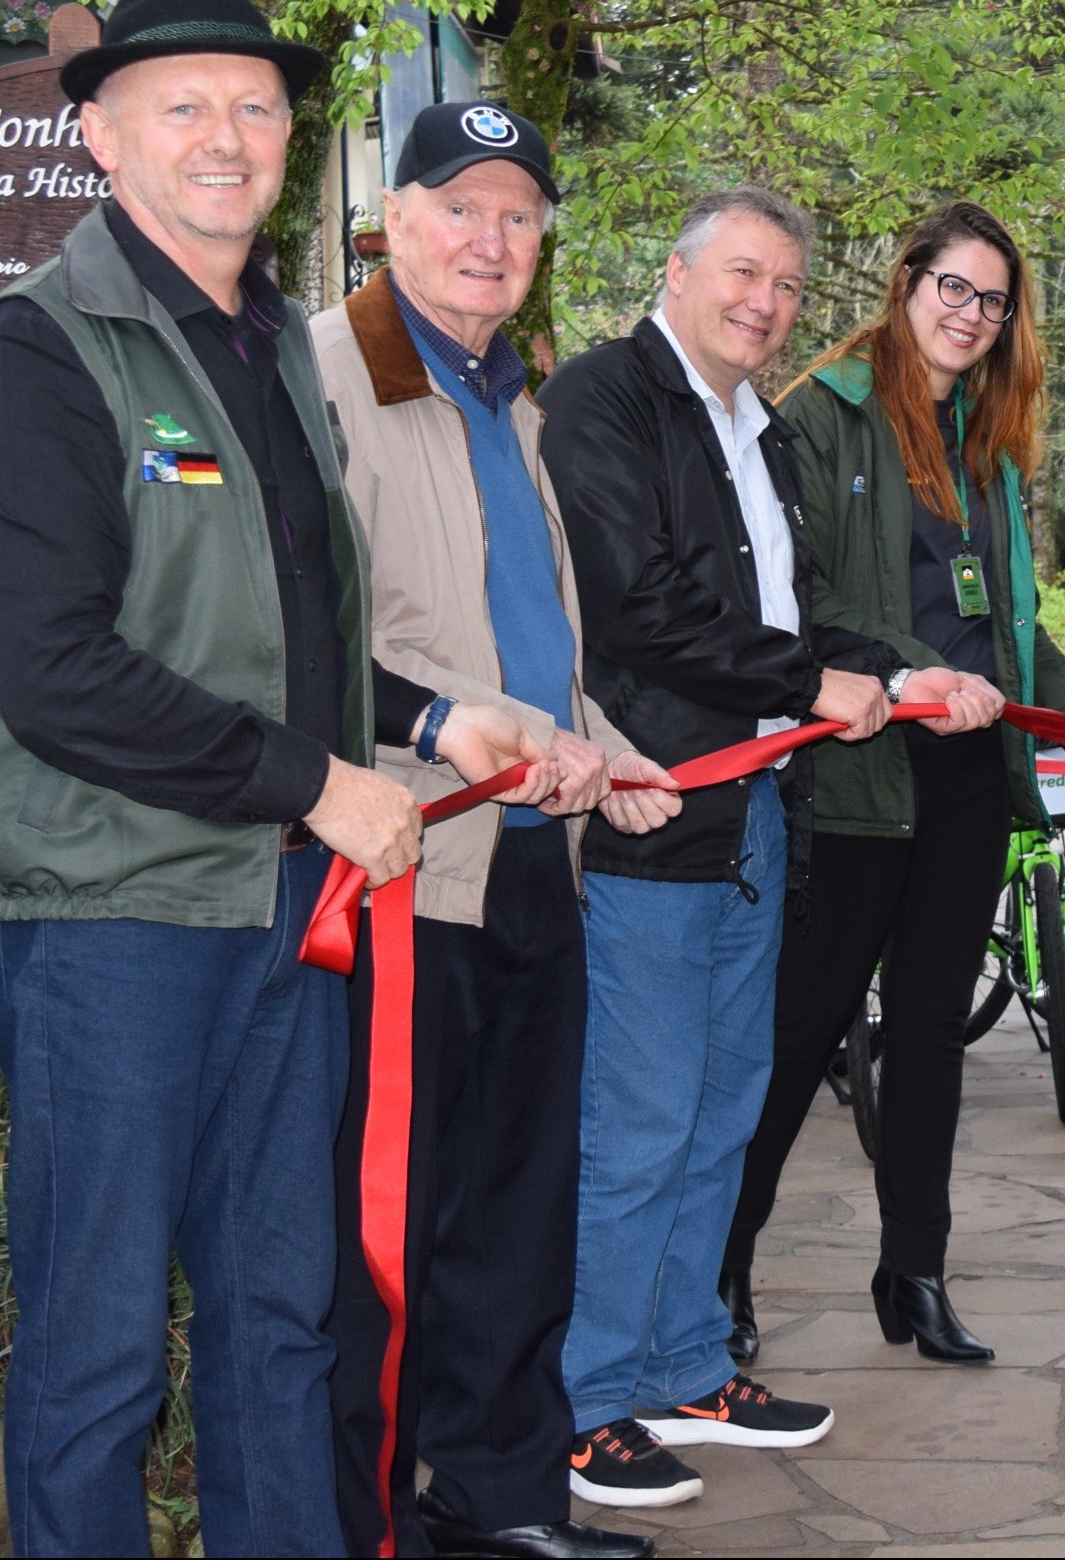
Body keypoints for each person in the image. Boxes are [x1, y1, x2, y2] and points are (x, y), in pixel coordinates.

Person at [0, 0, 542, 1557]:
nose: (227, 134)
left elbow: (285, 636)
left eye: (255, 106)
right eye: (181, 104)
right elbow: (57, 675)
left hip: (287, 914)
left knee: (283, 1325)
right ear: (102, 141)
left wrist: (416, 718)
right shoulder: (34, 358)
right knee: (97, 1353)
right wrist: (320, 784)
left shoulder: (269, 355)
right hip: (116, 925)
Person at [314, 102, 684, 1560]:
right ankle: (369, 1525)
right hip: (407, 864)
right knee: (391, 1232)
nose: (491, 237)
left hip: (534, 854)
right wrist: (431, 725)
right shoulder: (326, 372)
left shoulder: (505, 393)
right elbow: (300, 636)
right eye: (460, 206)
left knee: (518, 1211)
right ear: (392, 219)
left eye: (519, 215)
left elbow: (534, 651)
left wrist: (614, 743)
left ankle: (502, 1504)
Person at [721, 199, 1065, 1367]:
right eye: (952, 287)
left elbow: (1009, 629)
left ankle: (914, 1271)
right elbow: (808, 605)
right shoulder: (818, 414)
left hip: (965, 780)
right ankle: (722, 1273)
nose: (970, 314)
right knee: (801, 1029)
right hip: (860, 771)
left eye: (992, 299)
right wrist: (913, 674)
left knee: (928, 1035)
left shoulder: (985, 440)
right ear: (906, 282)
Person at [539, 190, 898, 1511]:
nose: (765, 301)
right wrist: (808, 681)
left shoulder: (767, 427)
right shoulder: (604, 401)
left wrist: (890, 678)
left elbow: (791, 607)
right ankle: (583, 1396)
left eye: (789, 284)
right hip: (645, 810)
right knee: (633, 1120)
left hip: (751, 815)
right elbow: (636, 610)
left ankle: (686, 1359)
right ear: (676, 271)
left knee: (726, 1108)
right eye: (743, 272)